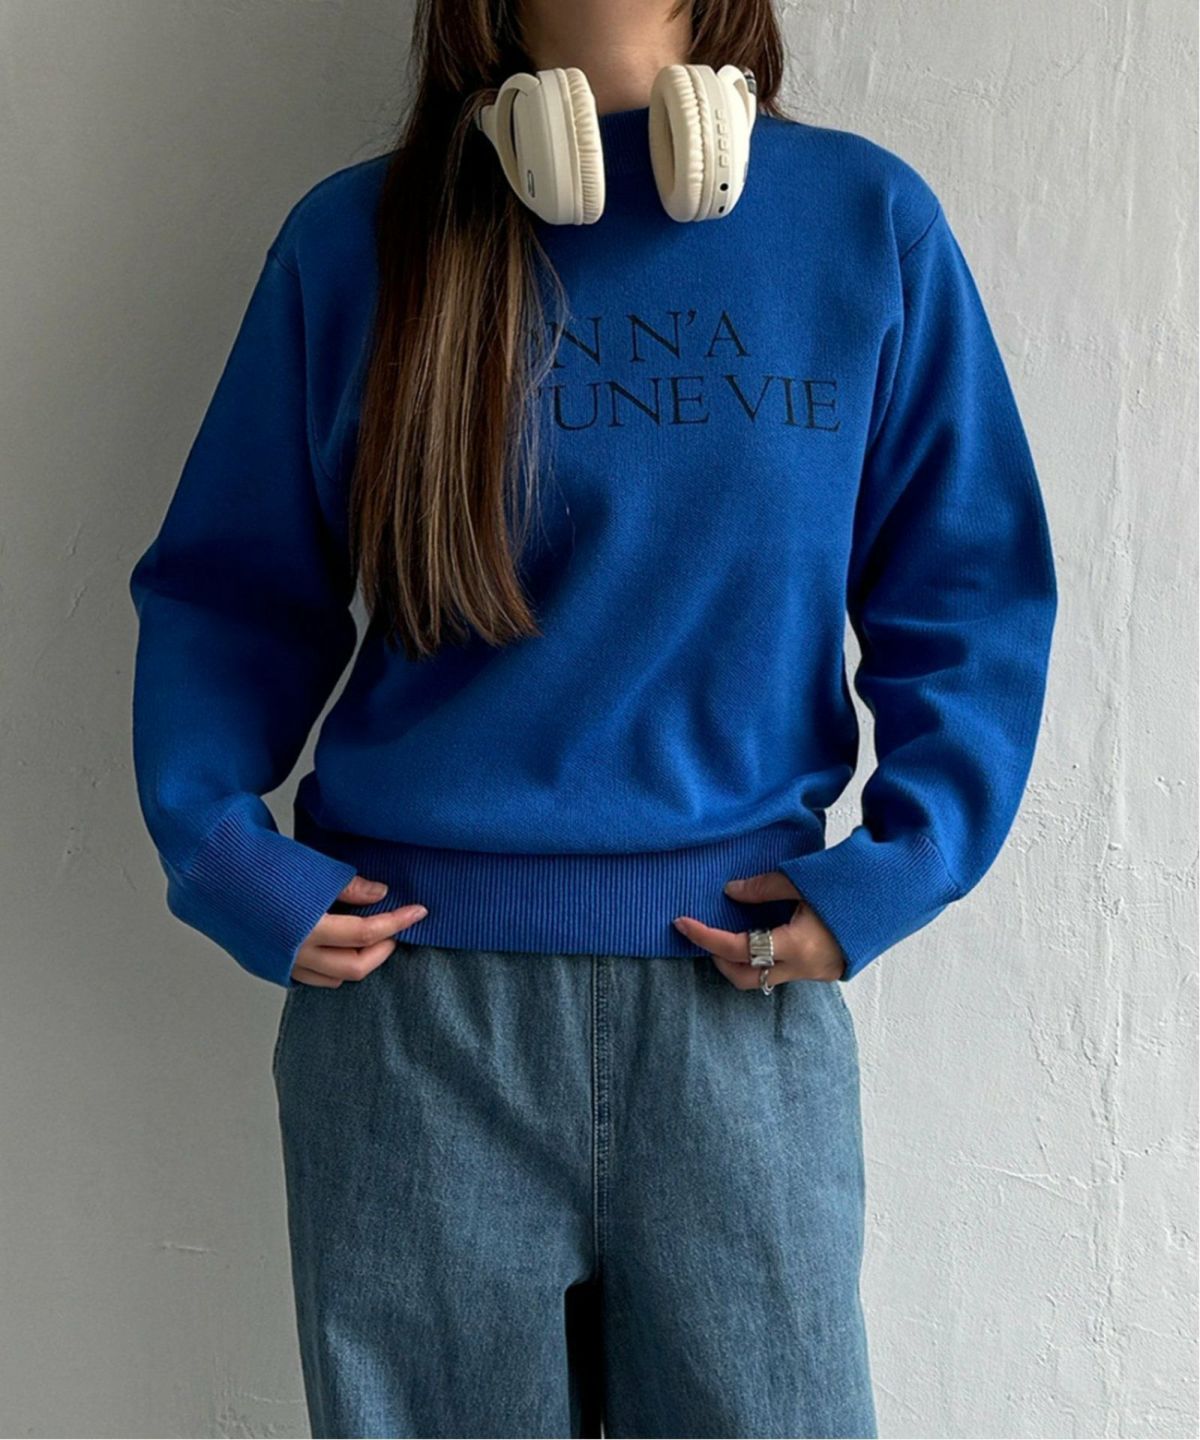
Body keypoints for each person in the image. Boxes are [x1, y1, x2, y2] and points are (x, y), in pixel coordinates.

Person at [126, 0, 1058, 1435]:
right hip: (413, 1035)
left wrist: (898, 868)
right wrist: (221, 853)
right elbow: (231, 592)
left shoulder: (867, 228)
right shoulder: (355, 242)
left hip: (738, 1017)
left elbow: (972, 585)